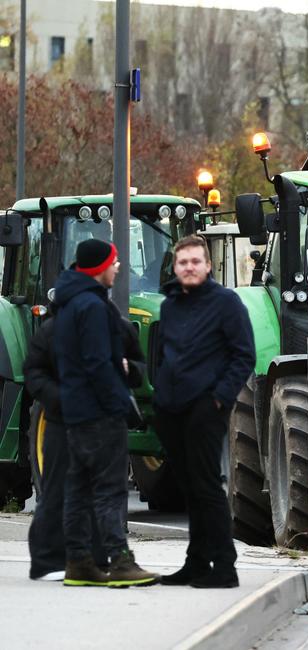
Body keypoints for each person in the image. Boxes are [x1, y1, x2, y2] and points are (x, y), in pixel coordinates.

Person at [54, 239, 158, 587]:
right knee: (110, 489)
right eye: (113, 262)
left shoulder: (69, 302)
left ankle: (79, 563)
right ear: (100, 267)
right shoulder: (94, 306)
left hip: (75, 410)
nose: (118, 267)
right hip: (100, 413)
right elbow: (98, 363)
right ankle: (120, 562)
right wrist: (119, 404)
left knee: (79, 488)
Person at [153, 235, 255, 588]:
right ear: (175, 266)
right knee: (189, 489)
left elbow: (244, 355)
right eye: (183, 262)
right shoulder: (169, 306)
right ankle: (196, 563)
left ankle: (225, 566)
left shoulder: (226, 303)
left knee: (208, 487)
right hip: (170, 408)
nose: (189, 267)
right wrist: (160, 394)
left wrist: (219, 398)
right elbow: (163, 354)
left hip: (205, 407)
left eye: (196, 261)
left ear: (208, 265)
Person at [26, 304, 146, 581]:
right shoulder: (53, 329)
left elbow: (138, 367)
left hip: (103, 419)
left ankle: (95, 559)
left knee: (100, 492)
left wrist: (129, 369)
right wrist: (61, 398)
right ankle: (52, 559)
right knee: (59, 488)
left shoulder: (117, 326)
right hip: (62, 420)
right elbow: (34, 373)